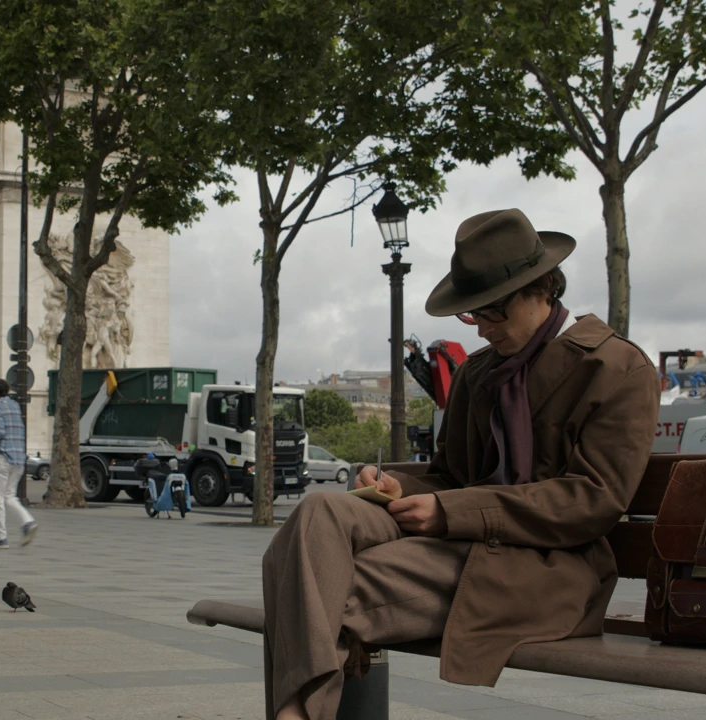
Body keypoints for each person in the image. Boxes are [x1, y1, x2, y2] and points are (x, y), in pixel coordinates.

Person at [262, 209, 661, 720]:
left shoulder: (615, 367)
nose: (483, 329)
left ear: (542, 288)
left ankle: (292, 715)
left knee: (316, 585)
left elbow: (593, 500)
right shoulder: (479, 372)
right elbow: (451, 475)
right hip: (464, 544)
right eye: (472, 314)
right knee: (318, 514)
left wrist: (454, 513)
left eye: (493, 312)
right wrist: (392, 482)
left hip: (545, 564)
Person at [0, 378, 37, 549]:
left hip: (3, 457)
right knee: (10, 496)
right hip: (19, 458)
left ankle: (0, 537)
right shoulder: (15, 406)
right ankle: (28, 522)